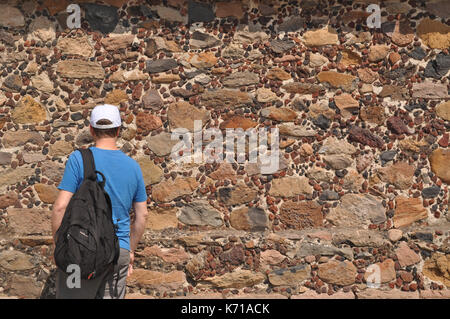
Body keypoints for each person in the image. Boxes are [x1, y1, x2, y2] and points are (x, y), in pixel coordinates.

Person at [51, 104, 148, 299]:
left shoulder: (79, 159)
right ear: (119, 131)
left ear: (91, 130)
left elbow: (60, 207)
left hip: (80, 253)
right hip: (118, 251)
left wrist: (60, 245)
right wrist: (129, 250)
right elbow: (142, 215)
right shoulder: (133, 166)